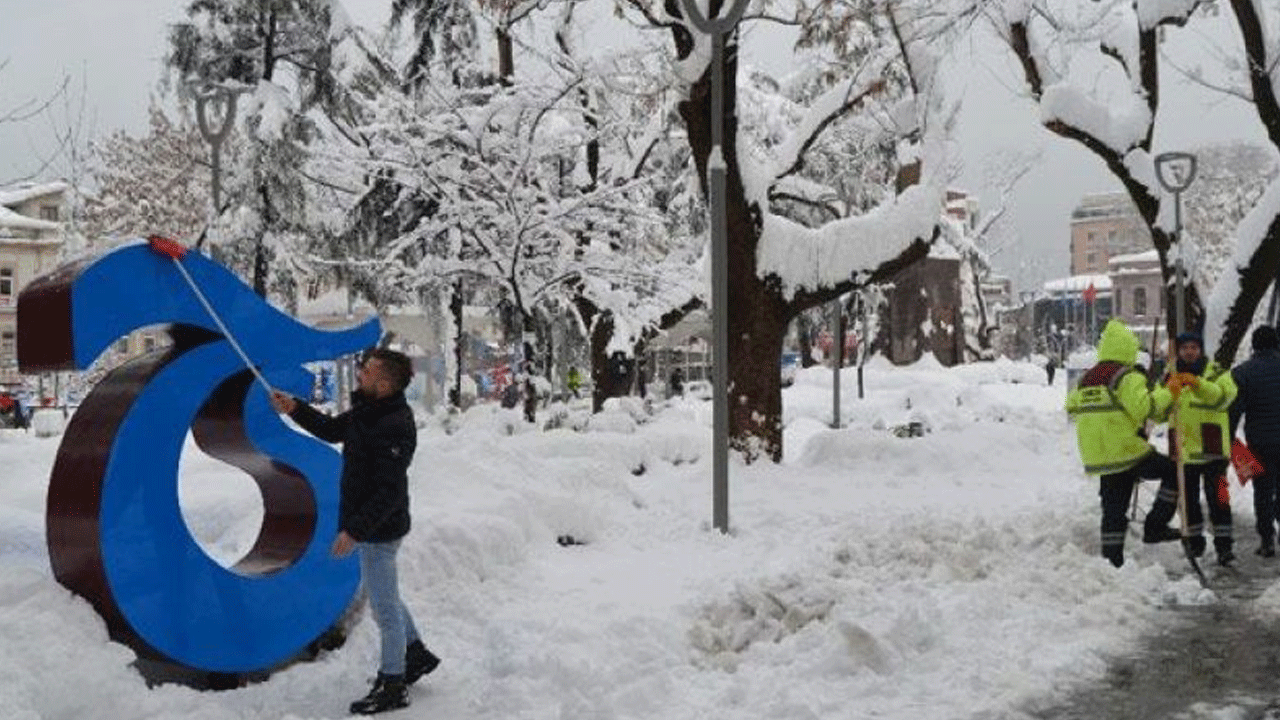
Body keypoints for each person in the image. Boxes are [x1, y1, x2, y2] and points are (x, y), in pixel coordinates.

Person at [269, 348, 440, 715]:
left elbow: (388, 492)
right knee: (386, 594)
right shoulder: (369, 410)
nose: (360, 373)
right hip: (370, 526)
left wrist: (356, 532)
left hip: (380, 530)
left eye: (367, 371)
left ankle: (393, 684)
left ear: (385, 384)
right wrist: (295, 408)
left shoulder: (394, 425)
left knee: (384, 609)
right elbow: (332, 430)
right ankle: (415, 653)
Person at [1065, 319, 1182, 568]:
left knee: (1113, 509)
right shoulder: (1127, 376)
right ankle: (1155, 526)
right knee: (1173, 471)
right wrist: (1168, 391)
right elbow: (1145, 408)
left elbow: (1071, 406)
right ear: (1128, 348)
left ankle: (1112, 560)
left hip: (1098, 456)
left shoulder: (1087, 378)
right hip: (1127, 451)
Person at [1150, 331, 1238, 566]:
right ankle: (1195, 542)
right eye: (1185, 348)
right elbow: (1157, 411)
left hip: (1213, 449)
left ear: (1201, 350)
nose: (1189, 352)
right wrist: (1168, 392)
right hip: (1183, 450)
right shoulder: (1169, 375)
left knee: (1220, 499)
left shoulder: (1217, 372)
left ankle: (1225, 547)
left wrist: (1197, 383)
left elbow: (1222, 399)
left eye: (1194, 347)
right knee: (1188, 502)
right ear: (1178, 351)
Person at [1231, 325, 1280, 557]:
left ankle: (1267, 540)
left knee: (1262, 491)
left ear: (1253, 345)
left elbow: (1235, 410)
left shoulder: (1242, 373)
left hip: (1259, 441)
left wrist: (1229, 438)